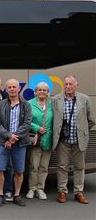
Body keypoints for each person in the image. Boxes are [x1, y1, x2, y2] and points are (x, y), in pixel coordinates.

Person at [52, 75, 95, 204]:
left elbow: (91, 120)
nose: (68, 86)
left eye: (71, 84)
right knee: (62, 167)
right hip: (62, 140)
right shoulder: (56, 99)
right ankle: (62, 192)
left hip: (79, 140)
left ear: (77, 85)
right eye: (66, 84)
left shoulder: (85, 99)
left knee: (79, 167)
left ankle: (78, 192)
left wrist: (82, 131)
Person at [0, 78, 32, 207]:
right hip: (3, 142)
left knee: (19, 171)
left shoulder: (26, 105)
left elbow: (27, 124)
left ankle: (16, 195)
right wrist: (9, 136)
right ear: (6, 89)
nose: (12, 89)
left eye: (14, 87)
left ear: (19, 88)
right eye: (9, 87)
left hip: (20, 143)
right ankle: (1, 195)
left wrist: (14, 138)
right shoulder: (1, 104)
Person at [26, 82, 53, 200]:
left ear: (48, 92)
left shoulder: (52, 104)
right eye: (39, 90)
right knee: (33, 166)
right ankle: (32, 189)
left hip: (48, 140)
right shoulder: (29, 104)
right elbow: (25, 120)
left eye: (44, 90)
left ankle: (40, 189)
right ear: (35, 92)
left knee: (44, 167)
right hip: (35, 140)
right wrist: (37, 128)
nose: (42, 92)